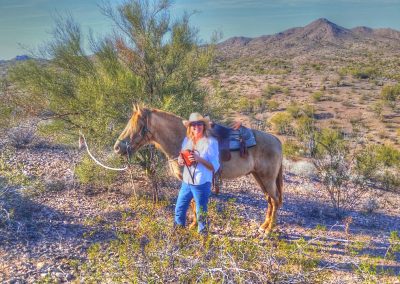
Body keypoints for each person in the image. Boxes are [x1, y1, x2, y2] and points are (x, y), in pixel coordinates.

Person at [175, 113, 220, 235]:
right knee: (179, 209)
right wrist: (180, 160)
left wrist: (198, 158)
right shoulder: (187, 140)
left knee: (201, 212)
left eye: (199, 124)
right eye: (193, 124)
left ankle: (203, 236)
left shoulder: (211, 143)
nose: (196, 126)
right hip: (187, 181)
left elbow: (214, 167)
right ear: (190, 127)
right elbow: (183, 156)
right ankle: (179, 234)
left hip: (201, 182)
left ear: (204, 126)